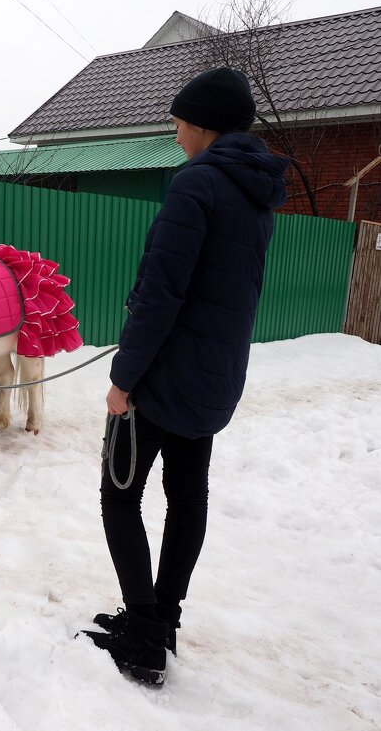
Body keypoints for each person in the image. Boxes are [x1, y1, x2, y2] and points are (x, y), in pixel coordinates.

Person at [81, 67, 289, 686]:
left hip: (165, 380)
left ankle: (143, 636)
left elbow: (163, 296)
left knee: (118, 496)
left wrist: (123, 380)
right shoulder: (255, 193)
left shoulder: (196, 184)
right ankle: (161, 621)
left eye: (178, 121)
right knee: (187, 498)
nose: (174, 133)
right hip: (215, 378)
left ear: (201, 123)